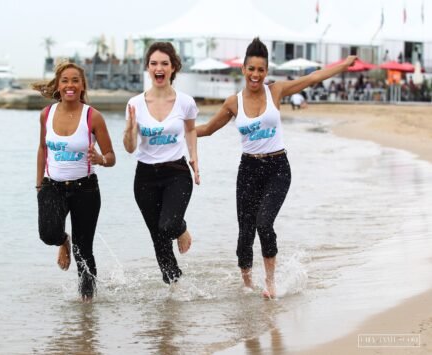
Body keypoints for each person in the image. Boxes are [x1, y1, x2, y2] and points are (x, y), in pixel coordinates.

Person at [196, 37, 356, 298]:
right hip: (248, 169)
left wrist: (342, 65)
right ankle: (247, 286)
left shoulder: (276, 91)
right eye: (251, 69)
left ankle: (270, 283)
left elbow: (313, 78)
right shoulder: (232, 103)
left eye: (261, 70)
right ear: (243, 70)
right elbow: (206, 130)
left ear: (266, 71)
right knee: (245, 232)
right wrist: (178, 129)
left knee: (264, 222)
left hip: (277, 168)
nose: (255, 74)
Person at [32, 62, 116, 301]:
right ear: (58, 85)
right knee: (48, 233)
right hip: (52, 185)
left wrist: (100, 158)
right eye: (65, 80)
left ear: (82, 86)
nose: (70, 85)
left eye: (75, 80)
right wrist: (39, 186)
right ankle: (63, 240)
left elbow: (112, 157)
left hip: (85, 189)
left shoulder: (93, 117)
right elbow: (41, 149)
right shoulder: (46, 115)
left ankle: (86, 302)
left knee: (84, 251)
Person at [123, 42, 200, 285]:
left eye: (164, 63)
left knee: (168, 225)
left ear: (173, 67)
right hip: (145, 176)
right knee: (158, 237)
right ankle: (174, 292)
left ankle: (181, 227)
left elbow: (190, 131)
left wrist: (194, 158)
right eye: (154, 63)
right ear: (148, 68)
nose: (159, 68)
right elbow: (130, 147)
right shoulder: (134, 104)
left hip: (176, 172)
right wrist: (129, 130)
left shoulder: (185, 102)